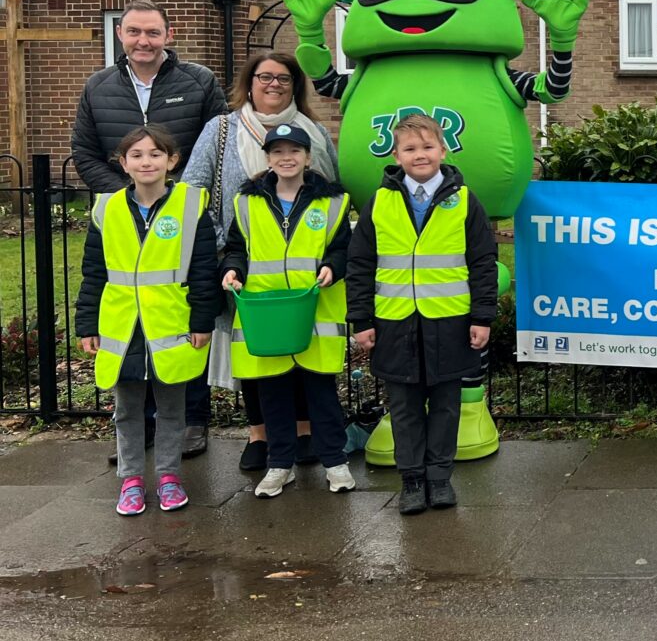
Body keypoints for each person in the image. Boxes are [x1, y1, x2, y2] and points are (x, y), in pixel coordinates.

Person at [72, 1, 227, 462]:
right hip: (124, 217)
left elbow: (217, 140)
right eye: (135, 32)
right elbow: (83, 151)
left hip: (180, 215)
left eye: (153, 33)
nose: (144, 41)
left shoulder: (198, 81)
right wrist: (126, 194)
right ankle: (135, 436)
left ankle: (192, 422)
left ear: (169, 34)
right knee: (133, 326)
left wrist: (172, 195)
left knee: (181, 322)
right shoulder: (98, 86)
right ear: (120, 34)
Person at [183, 50, 339, 472]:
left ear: (295, 85)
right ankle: (260, 434)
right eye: (264, 76)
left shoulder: (315, 133)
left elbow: (332, 192)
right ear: (249, 83)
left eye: (284, 78)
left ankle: (305, 431)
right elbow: (193, 190)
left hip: (305, 269)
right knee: (255, 349)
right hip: (242, 265)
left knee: (306, 345)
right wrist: (222, 248)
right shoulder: (221, 130)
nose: (274, 84)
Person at [347, 114, 497, 516]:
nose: (420, 155)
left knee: (446, 406)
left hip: (450, 321)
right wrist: (361, 321)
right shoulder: (380, 201)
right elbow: (360, 263)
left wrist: (482, 316)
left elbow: (483, 261)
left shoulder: (464, 200)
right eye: (410, 149)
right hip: (395, 322)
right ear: (396, 155)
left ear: (442, 151)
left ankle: (439, 478)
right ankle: (412, 480)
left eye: (428, 147)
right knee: (405, 408)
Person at [74, 127, 218, 515]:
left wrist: (202, 321)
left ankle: (169, 477)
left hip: (170, 324)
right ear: (123, 163)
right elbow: (94, 272)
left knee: (173, 408)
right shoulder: (107, 209)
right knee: (127, 409)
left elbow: (205, 270)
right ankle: (132, 480)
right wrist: (87, 324)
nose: (146, 162)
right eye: (136, 155)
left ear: (172, 161)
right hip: (122, 327)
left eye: (156, 154)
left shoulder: (190, 206)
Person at [219, 124, 355, 498]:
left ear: (308, 157)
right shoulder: (247, 203)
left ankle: (335, 462)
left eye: (294, 150)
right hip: (266, 314)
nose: (286, 158)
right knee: (273, 394)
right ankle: (280, 465)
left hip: (315, 312)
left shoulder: (332, 202)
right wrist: (232, 270)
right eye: (277, 152)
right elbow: (235, 248)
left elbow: (343, 248)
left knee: (321, 393)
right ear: (267, 159)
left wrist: (334, 266)